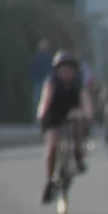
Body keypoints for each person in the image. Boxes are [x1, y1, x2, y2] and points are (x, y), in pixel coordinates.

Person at [36, 50, 93, 205]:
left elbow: (85, 102)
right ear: (58, 71)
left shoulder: (78, 83)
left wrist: (88, 115)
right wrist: (41, 114)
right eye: (63, 69)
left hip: (71, 113)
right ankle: (50, 181)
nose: (66, 73)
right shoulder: (52, 82)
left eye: (70, 69)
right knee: (52, 146)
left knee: (78, 120)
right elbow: (45, 101)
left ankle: (78, 155)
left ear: (74, 71)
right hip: (54, 115)